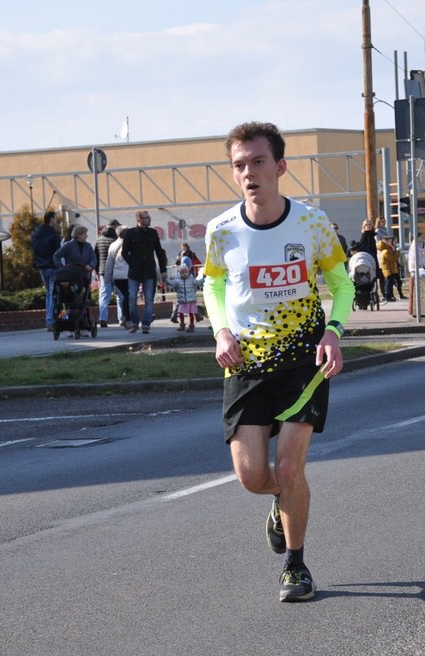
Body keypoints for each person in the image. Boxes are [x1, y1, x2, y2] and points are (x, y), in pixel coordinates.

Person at [202, 121, 353, 602]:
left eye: (258, 162)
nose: (249, 173)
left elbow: (342, 284)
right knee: (252, 477)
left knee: (289, 468)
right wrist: (220, 330)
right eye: (239, 165)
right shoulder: (221, 231)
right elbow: (213, 284)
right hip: (246, 362)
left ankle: (296, 565)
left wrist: (333, 331)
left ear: (280, 167)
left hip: (303, 360)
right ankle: (279, 501)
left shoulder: (311, 223)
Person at [121, 209, 168, 334]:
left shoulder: (152, 233)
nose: (149, 219)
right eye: (146, 217)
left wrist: (163, 270)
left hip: (149, 270)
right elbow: (124, 252)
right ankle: (135, 322)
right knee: (132, 298)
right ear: (139, 219)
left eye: (149, 217)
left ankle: (146, 323)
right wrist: (132, 263)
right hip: (134, 272)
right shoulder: (130, 233)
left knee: (149, 298)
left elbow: (159, 252)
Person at [31, 210, 62, 330]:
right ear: (51, 219)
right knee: (52, 293)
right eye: (55, 218)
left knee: (49, 292)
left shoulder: (36, 234)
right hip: (52, 267)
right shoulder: (53, 234)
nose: (56, 221)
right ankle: (50, 320)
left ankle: (49, 319)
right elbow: (58, 252)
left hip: (41, 266)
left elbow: (35, 250)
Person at [103, 225, 133, 328]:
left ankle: (124, 317)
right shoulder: (130, 244)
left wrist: (107, 279)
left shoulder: (113, 245)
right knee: (128, 296)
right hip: (128, 274)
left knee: (125, 296)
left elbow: (109, 263)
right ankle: (127, 318)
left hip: (117, 276)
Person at [94, 220, 120, 328]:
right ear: (115, 226)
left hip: (103, 271)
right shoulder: (117, 240)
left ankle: (103, 318)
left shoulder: (99, 239)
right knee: (120, 295)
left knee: (104, 295)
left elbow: (95, 256)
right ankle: (122, 318)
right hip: (117, 270)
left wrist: (97, 270)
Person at [166, 257, 204, 332]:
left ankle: (191, 326)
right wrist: (166, 279)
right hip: (182, 300)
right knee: (181, 313)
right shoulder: (178, 280)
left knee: (191, 313)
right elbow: (172, 283)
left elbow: (198, 282)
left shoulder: (191, 279)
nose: (184, 274)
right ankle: (182, 325)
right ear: (180, 273)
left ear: (188, 272)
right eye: (182, 273)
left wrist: (203, 278)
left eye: (185, 272)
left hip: (191, 300)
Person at [377, 234, 403, 301]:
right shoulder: (386, 250)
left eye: (391, 241)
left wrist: (394, 251)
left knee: (390, 283)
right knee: (389, 283)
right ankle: (388, 297)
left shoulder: (388, 249)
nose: (390, 243)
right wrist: (397, 253)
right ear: (385, 241)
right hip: (388, 269)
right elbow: (392, 259)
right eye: (389, 241)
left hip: (390, 268)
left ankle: (390, 296)